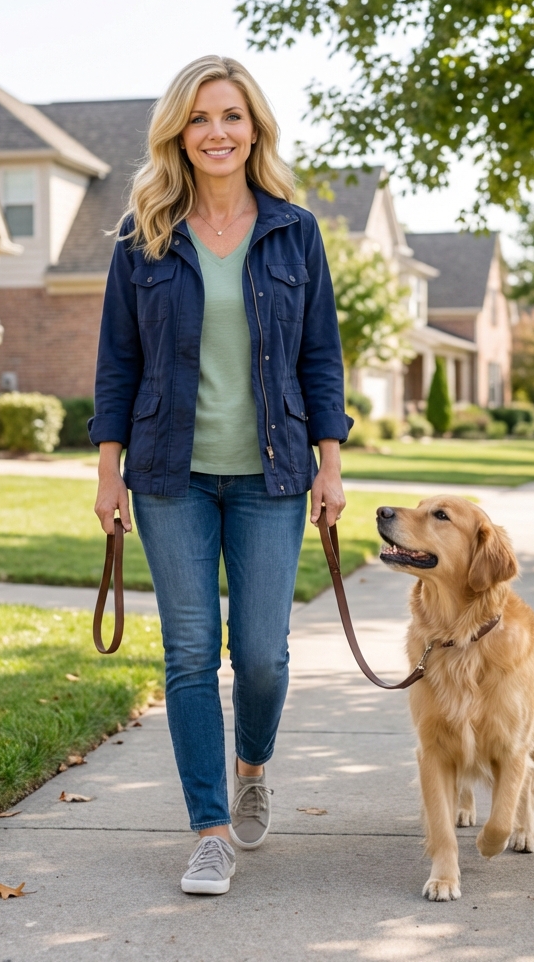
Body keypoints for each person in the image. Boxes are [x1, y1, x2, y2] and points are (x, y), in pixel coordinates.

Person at [90, 55, 349, 896]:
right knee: (192, 652)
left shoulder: (294, 231)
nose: (216, 133)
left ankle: (253, 766)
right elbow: (116, 366)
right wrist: (106, 473)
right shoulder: (145, 235)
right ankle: (208, 830)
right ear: (179, 131)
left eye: (231, 116)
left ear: (255, 128)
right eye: (200, 119)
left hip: (273, 475)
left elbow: (321, 358)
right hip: (171, 476)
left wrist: (330, 465)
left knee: (264, 657)